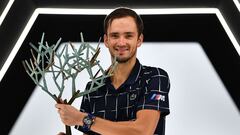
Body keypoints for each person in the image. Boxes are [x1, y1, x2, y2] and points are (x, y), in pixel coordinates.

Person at [56, 7, 170, 135]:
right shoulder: (93, 88)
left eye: (128, 36)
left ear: (139, 40)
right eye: (115, 35)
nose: (121, 42)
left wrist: (81, 118)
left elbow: (141, 131)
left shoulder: (155, 77)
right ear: (106, 40)